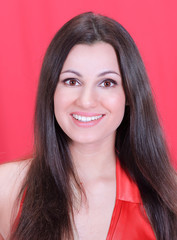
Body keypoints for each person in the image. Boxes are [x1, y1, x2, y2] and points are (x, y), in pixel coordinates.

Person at [0, 12, 177, 240]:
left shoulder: (169, 197)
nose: (86, 100)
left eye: (107, 83)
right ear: (51, 90)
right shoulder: (7, 188)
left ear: (129, 95)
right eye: (72, 81)